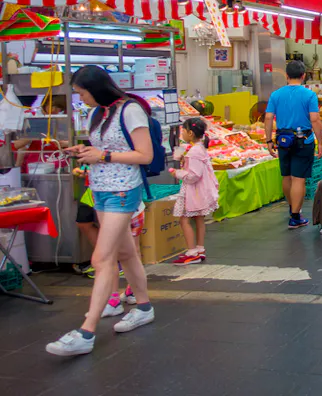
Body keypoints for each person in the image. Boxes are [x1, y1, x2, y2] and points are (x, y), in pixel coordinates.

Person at [47, 66, 155, 356]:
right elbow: (104, 148)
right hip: (99, 190)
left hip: (123, 191)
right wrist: (84, 152)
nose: (81, 98)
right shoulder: (98, 114)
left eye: (82, 92)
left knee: (101, 257)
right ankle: (143, 307)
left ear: (95, 88)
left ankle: (87, 330)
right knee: (125, 254)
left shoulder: (130, 110)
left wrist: (103, 155)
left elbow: (145, 155)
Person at [263, 61, 322, 229]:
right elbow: (315, 119)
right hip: (303, 140)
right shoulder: (309, 95)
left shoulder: (276, 95)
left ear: (287, 76)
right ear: (304, 76)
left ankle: (292, 209)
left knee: (287, 176)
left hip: (283, 140)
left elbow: (268, 118)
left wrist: (268, 140)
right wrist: (320, 142)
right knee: (299, 179)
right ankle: (296, 217)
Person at [169, 117, 219, 266]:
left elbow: (193, 176)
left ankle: (192, 252)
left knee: (184, 219)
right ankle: (200, 248)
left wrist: (177, 173)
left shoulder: (194, 152)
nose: (181, 134)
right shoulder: (199, 148)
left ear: (190, 133)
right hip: (200, 191)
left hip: (193, 192)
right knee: (199, 218)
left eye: (182, 131)